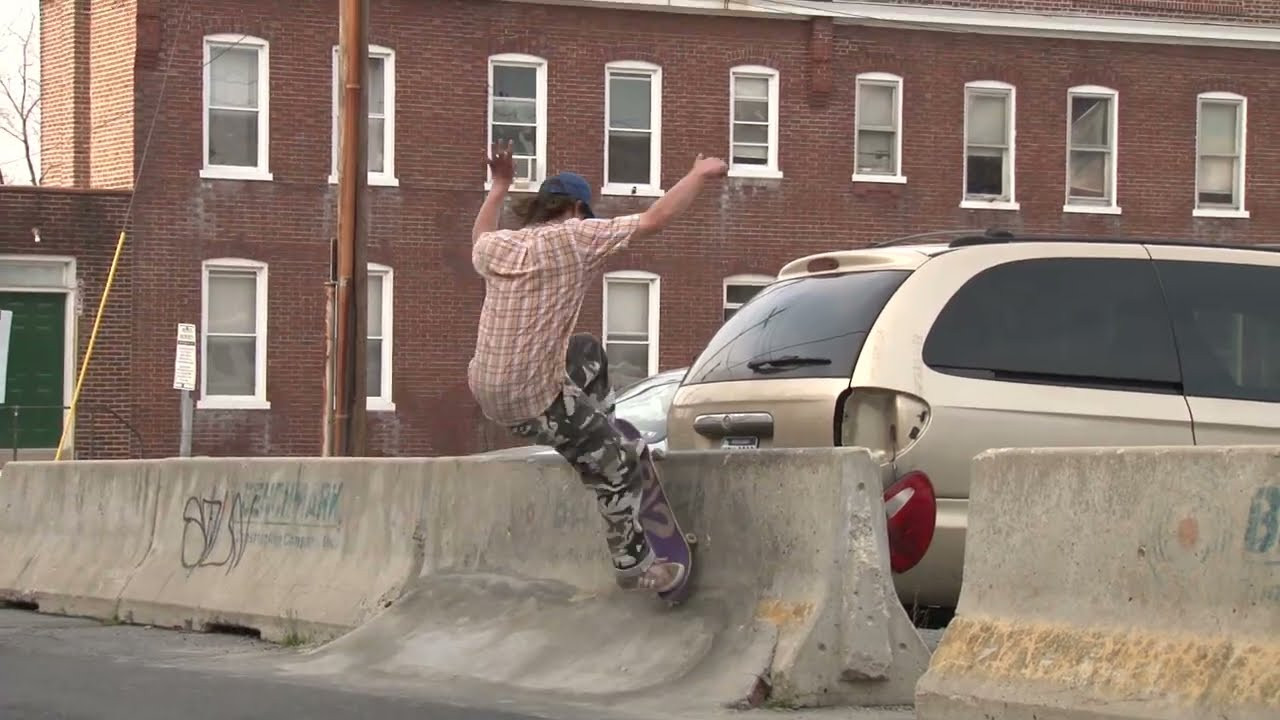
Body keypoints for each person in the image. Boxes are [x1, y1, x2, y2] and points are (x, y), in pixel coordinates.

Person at [468, 140, 728, 593]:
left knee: (586, 351)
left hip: (487, 389)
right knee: (617, 466)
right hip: (533, 399)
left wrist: (499, 186)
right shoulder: (577, 236)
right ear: (576, 209)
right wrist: (699, 174)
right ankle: (634, 562)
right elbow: (655, 219)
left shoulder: (500, 247)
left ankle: (600, 424)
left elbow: (479, 237)